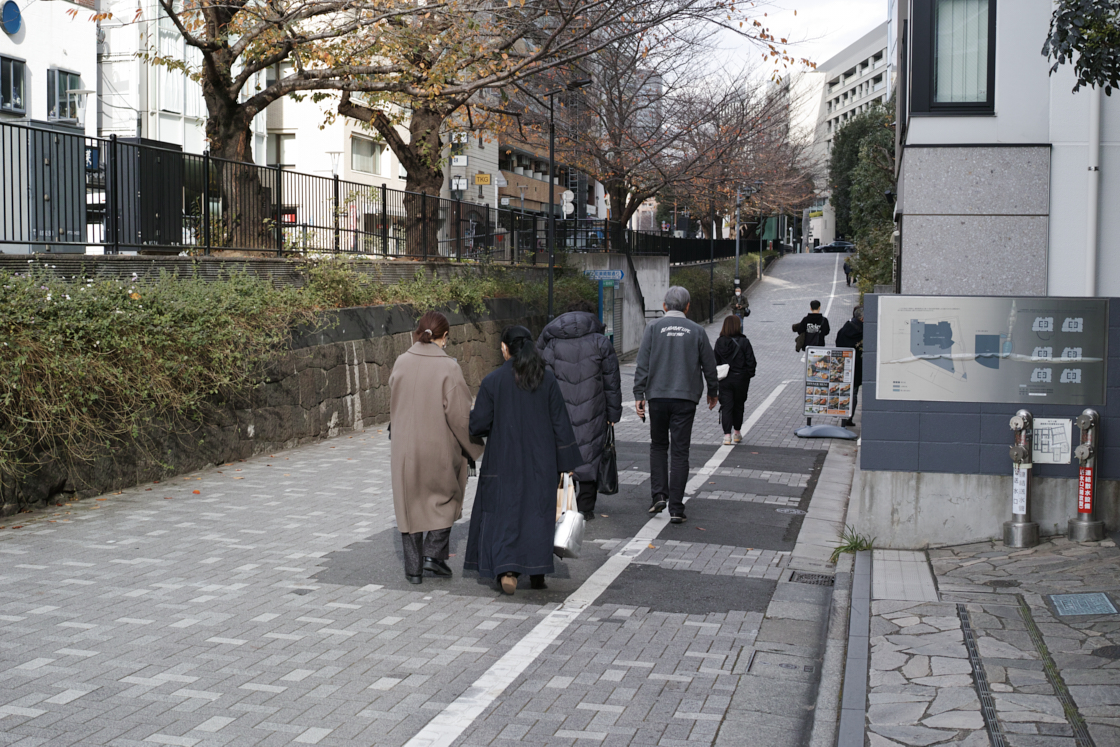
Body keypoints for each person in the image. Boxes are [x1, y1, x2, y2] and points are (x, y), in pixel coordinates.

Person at [465, 326, 583, 595]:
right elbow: (560, 424)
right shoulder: (547, 379)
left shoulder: (493, 380)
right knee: (538, 513)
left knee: (506, 513)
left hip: (503, 461)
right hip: (542, 462)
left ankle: (508, 570)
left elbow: (478, 424)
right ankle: (538, 570)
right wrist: (567, 464)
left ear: (505, 348)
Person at [388, 311, 484, 585]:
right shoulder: (448, 367)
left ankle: (414, 569)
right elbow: (460, 415)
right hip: (439, 448)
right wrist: (475, 447)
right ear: (444, 337)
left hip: (405, 449)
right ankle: (433, 554)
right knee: (446, 499)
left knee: (409, 506)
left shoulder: (401, 361)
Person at [633, 287, 718, 525]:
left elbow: (643, 362)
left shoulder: (653, 328)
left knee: (658, 446)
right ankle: (677, 508)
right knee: (680, 451)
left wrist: (638, 392)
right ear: (688, 306)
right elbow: (709, 366)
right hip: (685, 398)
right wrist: (713, 391)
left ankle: (659, 494)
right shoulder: (697, 331)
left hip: (657, 397)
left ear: (664, 305)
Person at [537, 300, 623, 521]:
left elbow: (544, 380)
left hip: (559, 410)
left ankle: (562, 502)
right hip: (593, 409)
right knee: (590, 451)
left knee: (561, 451)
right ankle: (585, 506)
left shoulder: (552, 344)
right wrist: (613, 414)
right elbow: (611, 382)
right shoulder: (601, 342)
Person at [714, 315, 757, 445]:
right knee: (739, 405)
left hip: (724, 379)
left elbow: (714, 361)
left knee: (726, 406)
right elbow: (751, 362)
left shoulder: (720, 342)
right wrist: (748, 375)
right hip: (741, 378)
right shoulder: (744, 342)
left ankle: (727, 436)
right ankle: (737, 433)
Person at [835, 305, 864, 428]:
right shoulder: (864, 331)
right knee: (854, 392)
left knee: (844, 390)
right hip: (857, 366)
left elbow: (838, 343)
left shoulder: (845, 328)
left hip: (843, 365)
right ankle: (849, 418)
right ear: (862, 318)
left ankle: (842, 414)